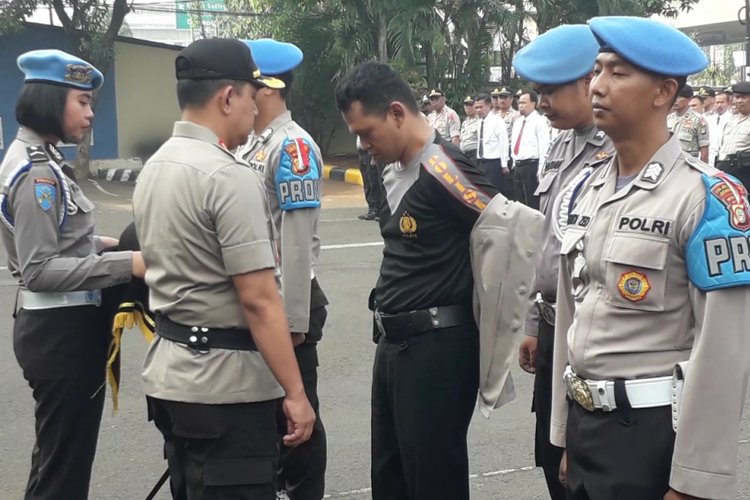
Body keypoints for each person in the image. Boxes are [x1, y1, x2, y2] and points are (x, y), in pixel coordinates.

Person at [552, 16, 750, 500]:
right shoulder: (584, 187)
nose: (597, 85)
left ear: (663, 92)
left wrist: (694, 480)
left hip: (651, 436)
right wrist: (563, 433)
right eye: (596, 71)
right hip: (585, 429)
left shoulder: (709, 199)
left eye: (617, 73)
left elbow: (725, 349)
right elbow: (571, 313)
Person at [133, 38, 316, 500]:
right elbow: (258, 299)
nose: (256, 112)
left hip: (173, 374)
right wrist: (295, 391)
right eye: (252, 99)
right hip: (226, 388)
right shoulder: (226, 175)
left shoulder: (156, 165)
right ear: (228, 97)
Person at [334, 62, 498, 500]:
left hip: (437, 349)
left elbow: (514, 234)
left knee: (432, 481)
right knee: (390, 477)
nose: (365, 146)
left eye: (368, 133)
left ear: (396, 113)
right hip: (394, 345)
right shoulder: (393, 168)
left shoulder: (446, 170)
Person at [0, 49, 146, 500]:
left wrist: (103, 245)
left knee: (54, 460)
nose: (89, 113)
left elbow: (58, 241)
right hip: (63, 334)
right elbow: (40, 269)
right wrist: (131, 263)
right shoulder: (38, 175)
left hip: (60, 330)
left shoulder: (38, 156)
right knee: (65, 472)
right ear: (49, 100)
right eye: (81, 102)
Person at [512, 24, 613, 500]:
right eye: (538, 91)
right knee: (553, 458)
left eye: (551, 89)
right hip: (554, 326)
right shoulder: (561, 144)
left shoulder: (618, 148)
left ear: (590, 80)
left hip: (594, 331)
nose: (543, 101)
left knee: (589, 464)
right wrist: (534, 321)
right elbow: (547, 244)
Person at [237, 38, 329, 500]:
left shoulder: (293, 148)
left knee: (299, 415)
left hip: (288, 297)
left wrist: (292, 322)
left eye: (244, 85)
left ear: (268, 88)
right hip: (266, 295)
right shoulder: (256, 143)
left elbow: (296, 245)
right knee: (274, 414)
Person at [717, 81, 750, 190]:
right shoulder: (731, 119)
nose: (739, 101)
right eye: (736, 97)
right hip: (725, 170)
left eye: (744, 97)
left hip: (744, 174)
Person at [667, 84, 709, 162]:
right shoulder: (668, 119)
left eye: (680, 97)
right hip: (670, 164)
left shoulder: (698, 120)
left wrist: (703, 171)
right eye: (674, 96)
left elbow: (704, 152)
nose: (675, 100)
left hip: (688, 165)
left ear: (689, 99)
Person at [459, 95, 479, 163]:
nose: (468, 107)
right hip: (464, 154)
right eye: (466, 105)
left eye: (470, 105)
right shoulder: (465, 122)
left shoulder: (480, 121)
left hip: (475, 154)